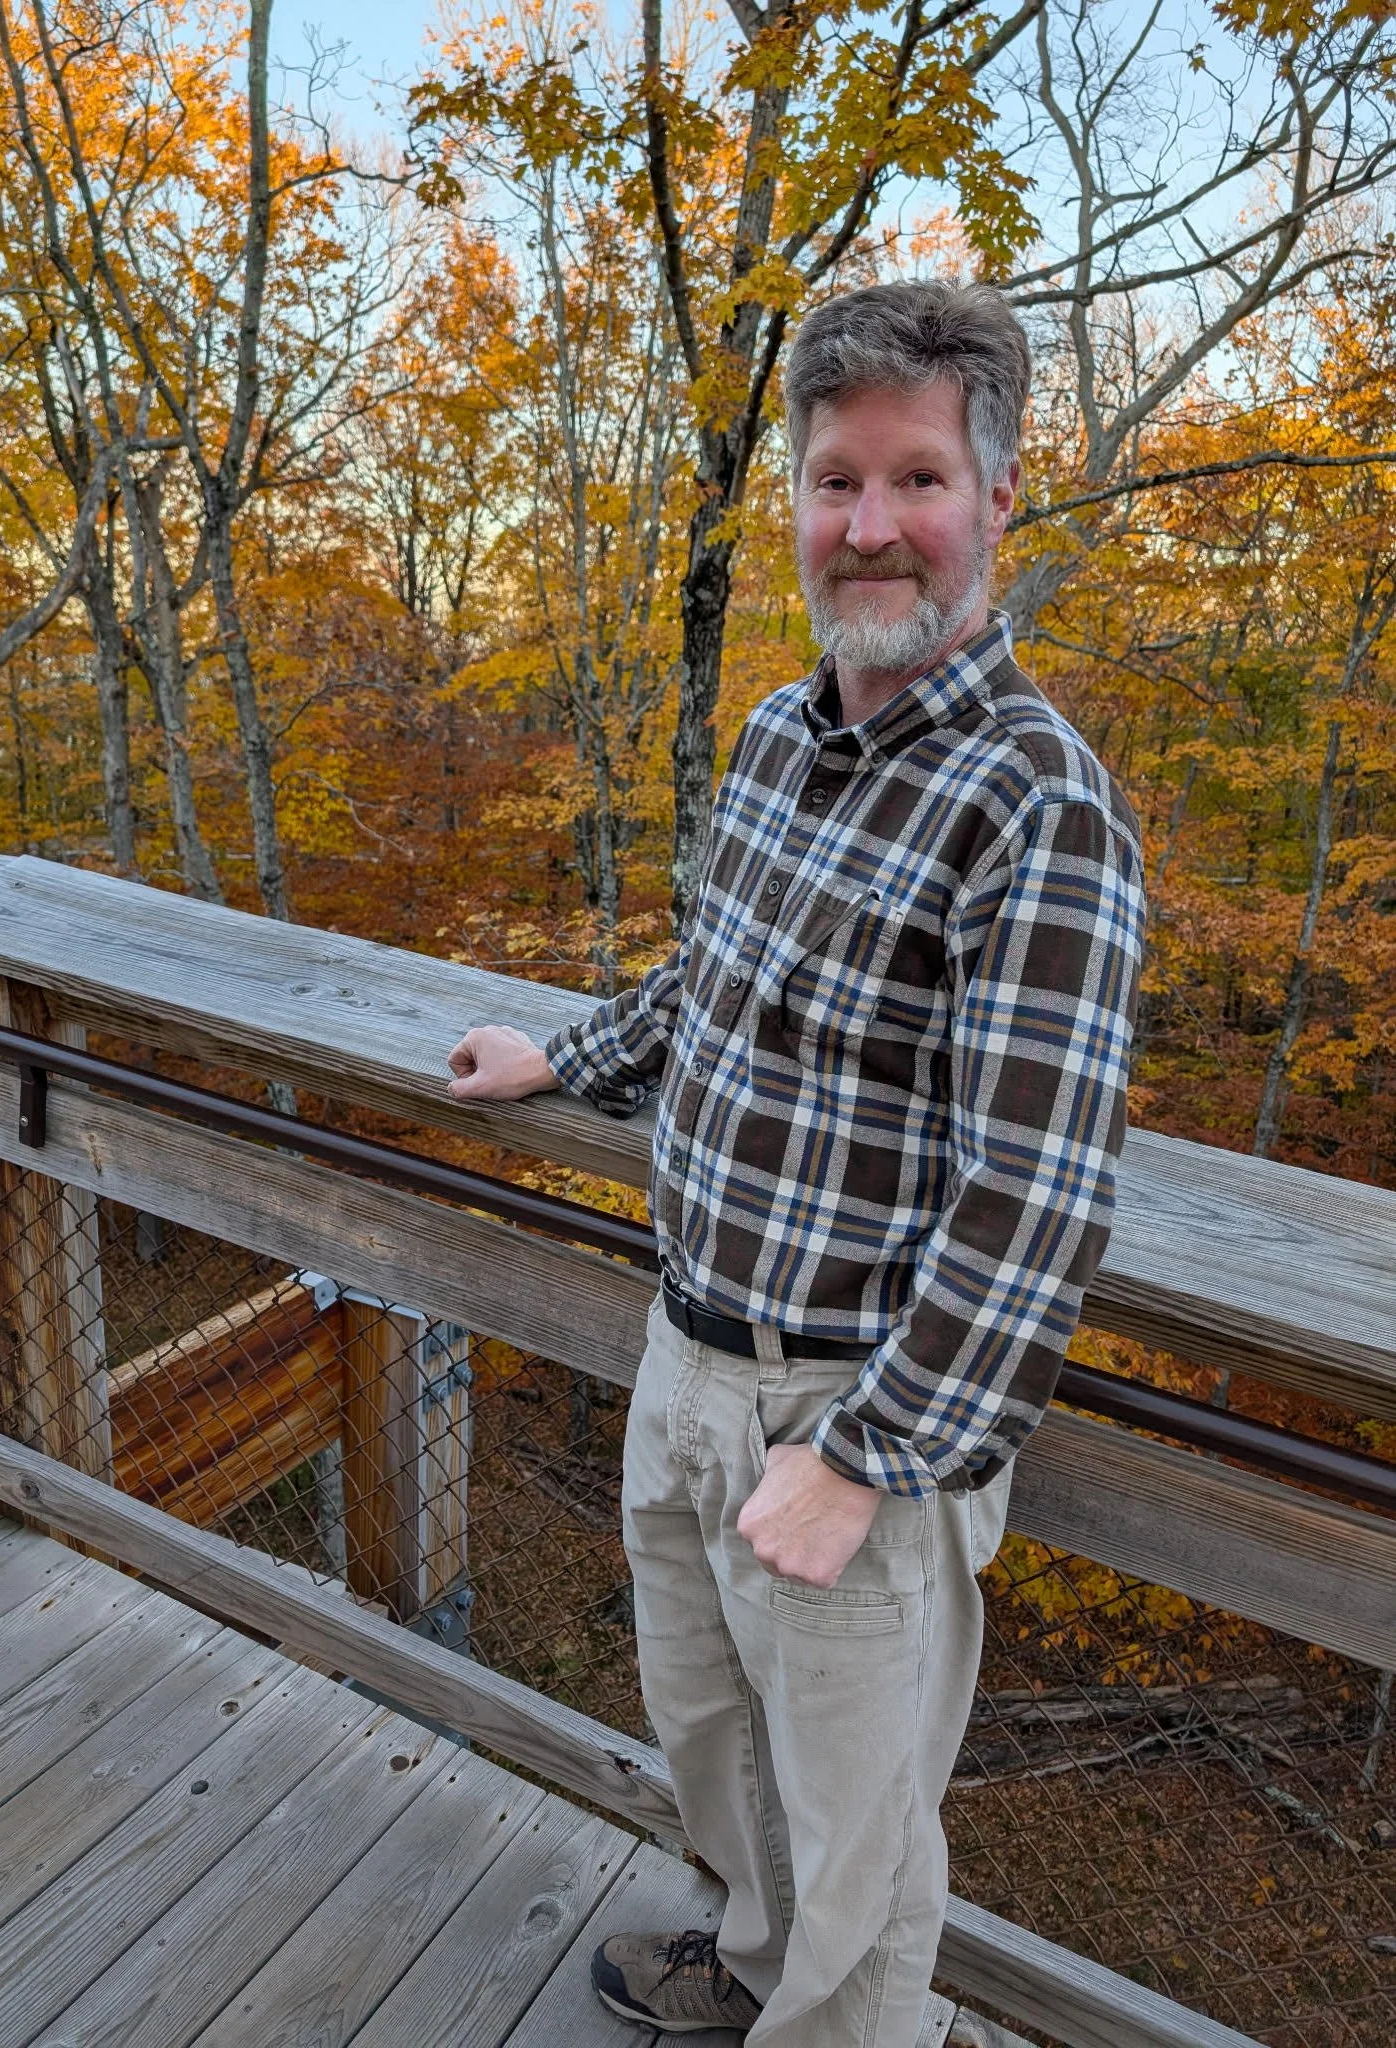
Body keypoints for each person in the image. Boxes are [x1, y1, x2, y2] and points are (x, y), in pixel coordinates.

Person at [446, 281, 1147, 2047]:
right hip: (687, 1353)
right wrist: (572, 1055)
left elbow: (1036, 1189)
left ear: (993, 496)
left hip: (852, 1413)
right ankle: (742, 1973)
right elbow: (721, 979)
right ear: (797, 510)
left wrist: (866, 1457)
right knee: (709, 1734)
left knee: (860, 1845)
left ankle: (828, 2019)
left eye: (915, 480)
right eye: (836, 482)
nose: (871, 525)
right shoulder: (779, 736)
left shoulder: (1034, 801)